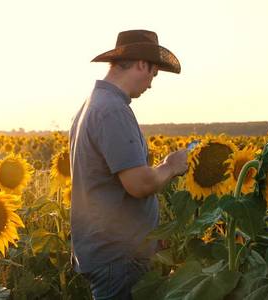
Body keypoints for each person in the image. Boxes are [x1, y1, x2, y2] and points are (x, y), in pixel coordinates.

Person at [69, 29, 188, 299]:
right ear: (142, 64)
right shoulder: (112, 110)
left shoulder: (93, 104)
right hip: (119, 256)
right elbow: (138, 184)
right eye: (153, 75)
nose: (150, 84)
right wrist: (171, 165)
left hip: (110, 250)